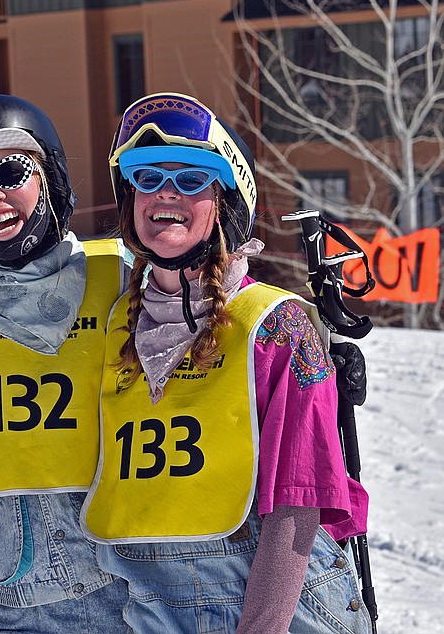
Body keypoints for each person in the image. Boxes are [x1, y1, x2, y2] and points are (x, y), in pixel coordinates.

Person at [82, 92, 371, 633]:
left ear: (227, 205)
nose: (165, 193)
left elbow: (299, 503)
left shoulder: (277, 327)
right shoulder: (113, 319)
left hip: (274, 602)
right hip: (152, 604)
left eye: (192, 181)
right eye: (146, 177)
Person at [0, 94, 132, 633]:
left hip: (134, 582)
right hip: (18, 590)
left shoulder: (124, 276)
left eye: (11, 171)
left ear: (51, 174)